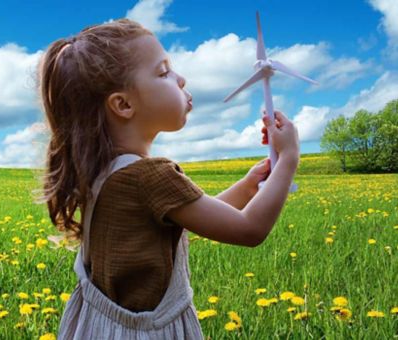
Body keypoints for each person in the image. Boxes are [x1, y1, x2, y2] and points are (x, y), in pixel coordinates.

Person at [35, 18, 299, 339]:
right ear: (123, 104)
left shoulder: (104, 171)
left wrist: (248, 185)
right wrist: (288, 159)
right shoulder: (151, 175)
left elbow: (191, 217)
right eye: (163, 73)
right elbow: (248, 229)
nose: (181, 78)